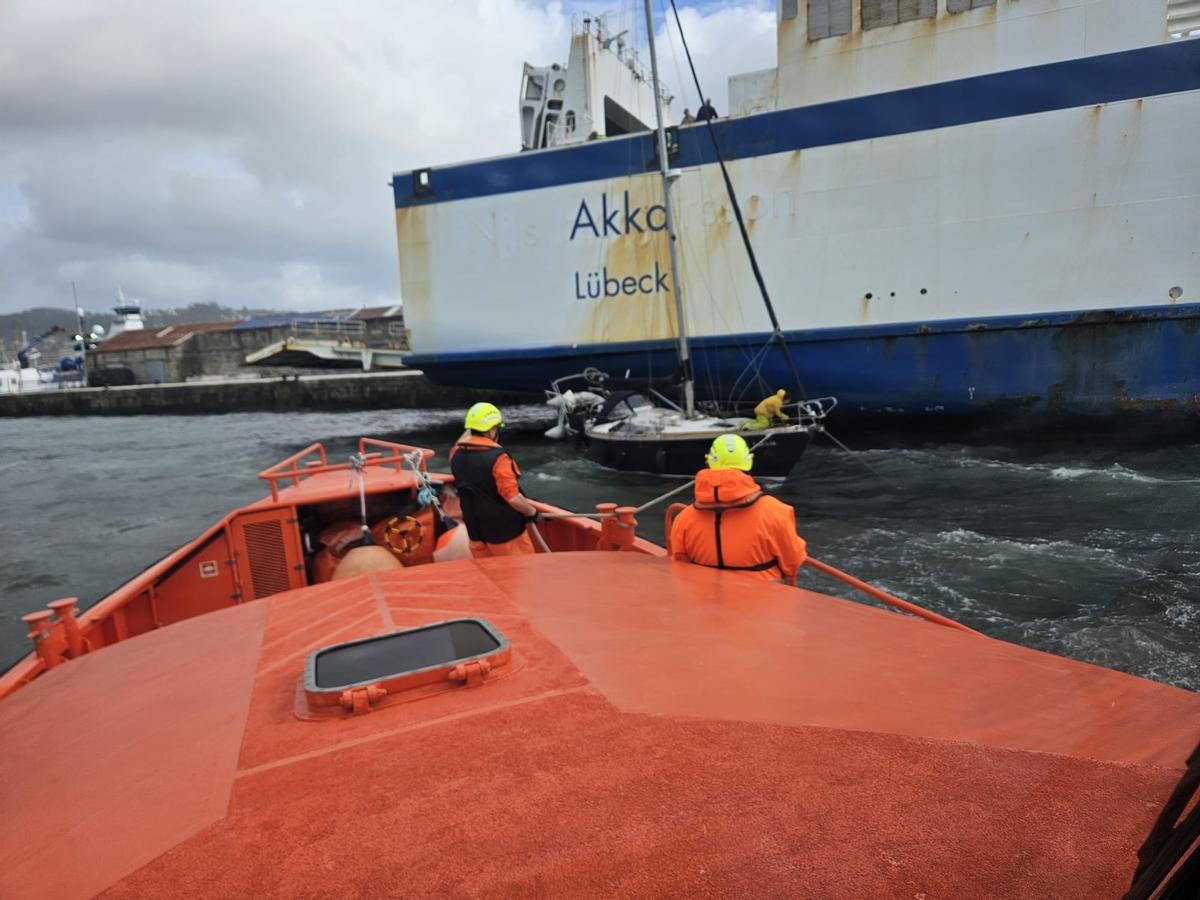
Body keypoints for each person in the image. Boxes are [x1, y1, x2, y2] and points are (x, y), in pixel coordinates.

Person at [667, 434, 807, 583]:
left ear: (709, 462)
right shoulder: (776, 512)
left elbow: (681, 564)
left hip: (704, 602)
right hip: (764, 601)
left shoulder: (684, 519)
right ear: (748, 462)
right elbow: (792, 563)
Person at [449, 402, 539, 557]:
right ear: (491, 430)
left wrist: (474, 422)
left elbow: (461, 443)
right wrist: (532, 512)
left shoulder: (456, 455)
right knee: (519, 574)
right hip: (505, 535)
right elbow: (512, 498)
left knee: (490, 577)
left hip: (476, 535)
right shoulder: (498, 458)